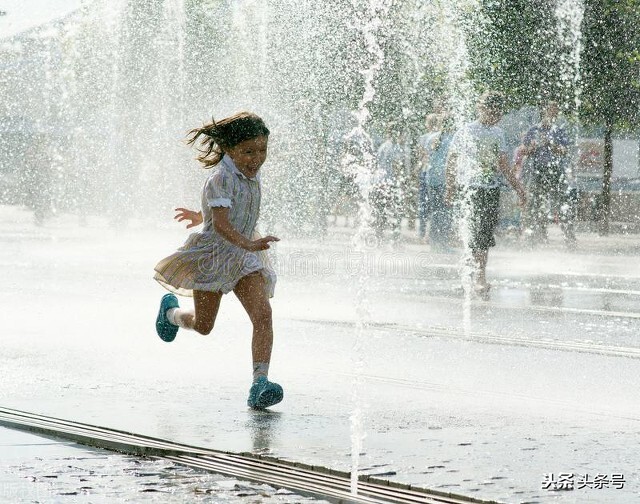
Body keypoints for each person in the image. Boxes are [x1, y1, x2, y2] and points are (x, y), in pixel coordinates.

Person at [153, 112, 283, 410]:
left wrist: (202, 215)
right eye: (248, 151)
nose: (256, 158)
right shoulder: (221, 178)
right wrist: (246, 241)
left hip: (245, 258)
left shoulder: (249, 171)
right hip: (215, 256)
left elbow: (224, 211)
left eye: (262, 150)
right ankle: (171, 314)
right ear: (229, 149)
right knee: (203, 326)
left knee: (263, 315)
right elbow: (222, 226)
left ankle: (260, 383)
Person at [445, 92, 526, 293]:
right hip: (469, 189)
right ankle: (473, 276)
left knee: (484, 234)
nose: (496, 115)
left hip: (490, 189)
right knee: (472, 233)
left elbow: (503, 165)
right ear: (480, 108)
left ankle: (477, 276)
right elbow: (452, 160)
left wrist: (519, 188)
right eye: (492, 111)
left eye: (499, 112)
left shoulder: (498, 133)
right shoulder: (466, 131)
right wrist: (450, 187)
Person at [522, 101, 576, 248]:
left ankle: (569, 238)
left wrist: (551, 144)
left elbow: (565, 151)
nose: (554, 112)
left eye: (556, 110)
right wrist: (531, 148)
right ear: (544, 111)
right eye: (551, 110)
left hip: (556, 172)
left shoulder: (559, 130)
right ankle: (536, 237)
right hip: (538, 171)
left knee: (562, 204)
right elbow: (524, 150)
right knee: (535, 205)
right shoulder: (533, 130)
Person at [424, 114, 455, 251]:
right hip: (445, 179)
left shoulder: (431, 138)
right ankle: (443, 244)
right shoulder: (454, 139)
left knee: (435, 211)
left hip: (431, 178)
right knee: (446, 212)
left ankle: (434, 243)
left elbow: (426, 157)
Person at [416, 113, 441, 240]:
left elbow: (422, 157)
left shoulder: (424, 138)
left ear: (428, 124)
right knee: (435, 205)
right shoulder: (441, 136)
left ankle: (422, 233)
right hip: (437, 173)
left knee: (423, 204)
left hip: (426, 172)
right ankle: (432, 234)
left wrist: (416, 173)